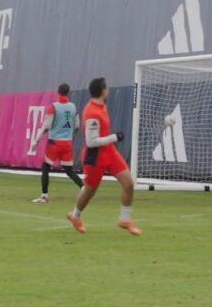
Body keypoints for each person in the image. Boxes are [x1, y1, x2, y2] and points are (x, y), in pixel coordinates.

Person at [67, 77, 141, 235]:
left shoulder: (102, 106)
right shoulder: (92, 112)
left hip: (110, 153)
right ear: (102, 91)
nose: (108, 90)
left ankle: (124, 219)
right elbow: (91, 142)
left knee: (128, 183)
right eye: (106, 88)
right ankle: (75, 215)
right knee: (90, 191)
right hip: (95, 157)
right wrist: (115, 137)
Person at [29, 83, 83, 203]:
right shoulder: (73, 107)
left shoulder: (53, 107)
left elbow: (46, 126)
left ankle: (44, 195)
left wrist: (36, 141)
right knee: (69, 171)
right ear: (68, 92)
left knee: (45, 168)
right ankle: (84, 189)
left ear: (58, 92)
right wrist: (69, 134)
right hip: (67, 143)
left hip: (54, 143)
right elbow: (77, 125)